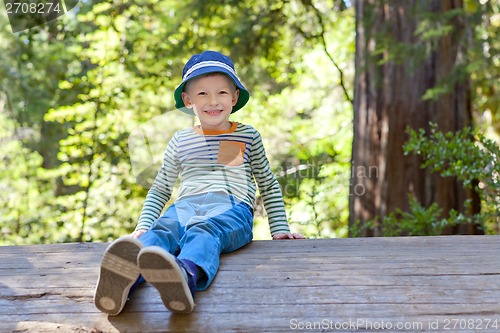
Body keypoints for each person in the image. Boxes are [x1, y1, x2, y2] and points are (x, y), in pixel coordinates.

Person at [94, 50, 304, 316]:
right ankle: (123, 281)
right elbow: (160, 188)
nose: (213, 101)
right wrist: (144, 225)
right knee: (162, 231)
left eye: (222, 93)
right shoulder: (180, 140)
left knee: (204, 229)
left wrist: (280, 228)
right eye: (202, 93)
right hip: (184, 207)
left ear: (235, 97)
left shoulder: (247, 135)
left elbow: (268, 184)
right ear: (188, 99)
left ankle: (185, 275)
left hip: (232, 209)